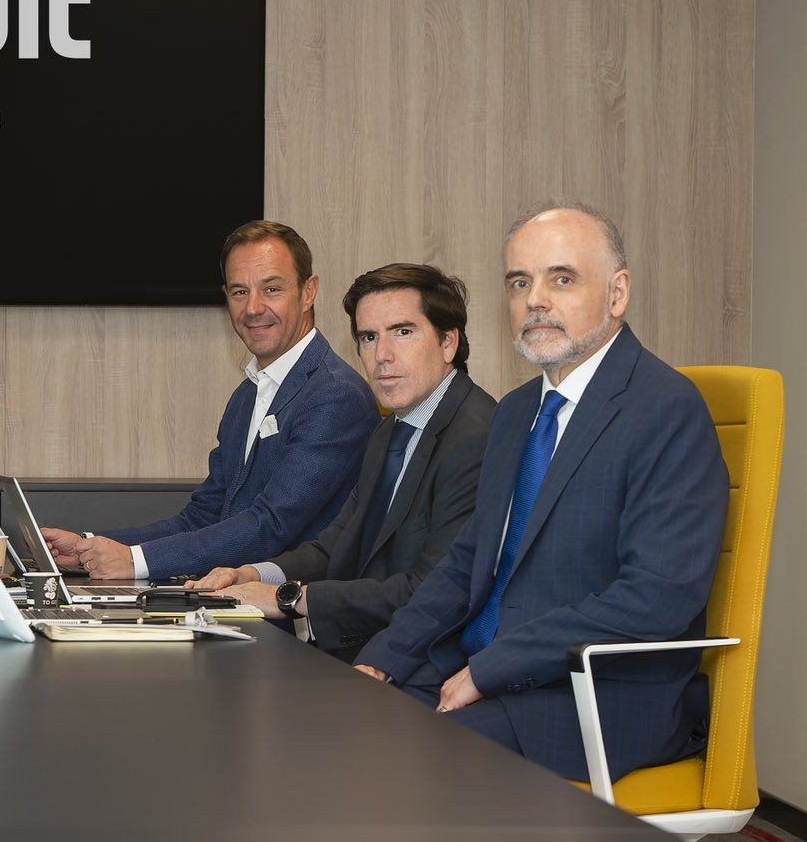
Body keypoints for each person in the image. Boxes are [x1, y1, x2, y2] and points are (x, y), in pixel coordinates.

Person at [353, 205, 727, 781]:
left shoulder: (666, 409)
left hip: (595, 695)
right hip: (490, 669)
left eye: (562, 278)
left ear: (618, 293)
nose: (535, 301)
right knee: (341, 729)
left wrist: (493, 669)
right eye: (519, 282)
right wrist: (383, 658)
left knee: (402, 767)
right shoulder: (516, 412)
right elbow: (466, 564)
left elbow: (657, 596)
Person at [191, 263, 496, 661]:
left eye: (403, 332)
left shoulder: (477, 436)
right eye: (369, 337)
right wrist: (252, 573)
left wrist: (288, 598)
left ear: (447, 342)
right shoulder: (392, 430)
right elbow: (335, 547)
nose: (382, 356)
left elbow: (431, 589)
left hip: (428, 663)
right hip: (366, 646)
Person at [42, 220, 376, 580]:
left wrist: (135, 560)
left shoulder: (335, 395)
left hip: (295, 609)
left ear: (309, 292)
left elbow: (271, 525)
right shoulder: (247, 395)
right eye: (239, 292)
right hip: (235, 599)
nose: (253, 308)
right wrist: (88, 546)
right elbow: (202, 517)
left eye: (272, 289)